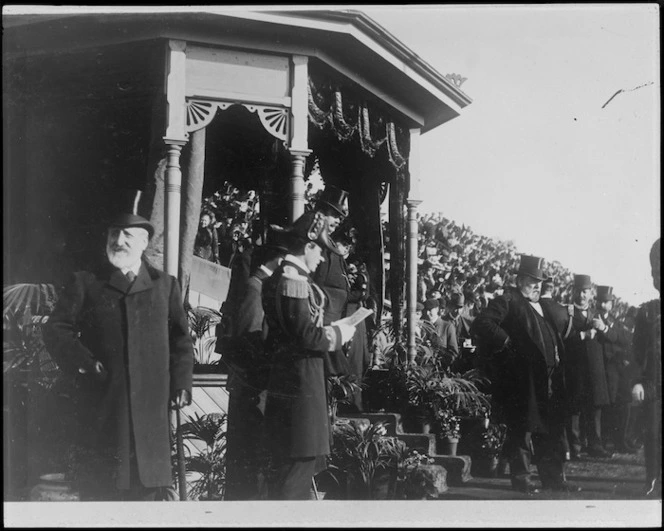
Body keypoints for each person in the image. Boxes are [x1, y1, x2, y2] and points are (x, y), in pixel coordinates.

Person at [43, 208, 194, 501]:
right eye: (114, 234)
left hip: (151, 410)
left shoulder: (165, 285)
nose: (119, 241)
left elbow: (181, 341)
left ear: (143, 243)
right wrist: (84, 364)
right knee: (102, 491)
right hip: (103, 405)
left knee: (147, 492)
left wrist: (181, 384)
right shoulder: (87, 281)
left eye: (127, 235)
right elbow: (55, 329)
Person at [262, 210, 356, 500]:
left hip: (292, 384)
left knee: (296, 471)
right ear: (308, 246)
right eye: (321, 251)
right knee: (297, 472)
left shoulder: (285, 276)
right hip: (300, 386)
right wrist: (339, 334)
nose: (323, 259)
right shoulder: (293, 279)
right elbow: (304, 335)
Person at [472, 255, 579, 495]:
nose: (536, 286)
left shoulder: (543, 305)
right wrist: (508, 342)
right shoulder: (508, 301)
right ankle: (522, 480)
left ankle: (552, 479)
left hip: (548, 379)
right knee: (521, 430)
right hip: (523, 381)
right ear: (519, 280)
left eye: (539, 282)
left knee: (548, 429)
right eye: (532, 281)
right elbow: (482, 323)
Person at [223, 225, 289, 501]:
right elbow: (249, 345)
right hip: (251, 394)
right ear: (277, 261)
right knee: (249, 469)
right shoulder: (255, 289)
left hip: (257, 392)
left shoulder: (263, 289)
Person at [564, 274, 613, 459]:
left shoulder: (597, 314)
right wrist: (582, 335)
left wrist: (603, 328)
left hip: (594, 370)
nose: (583, 295)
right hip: (576, 368)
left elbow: (613, 338)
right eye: (580, 291)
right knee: (575, 409)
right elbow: (563, 338)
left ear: (591, 293)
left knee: (595, 409)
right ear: (574, 292)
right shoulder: (567, 313)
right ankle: (575, 448)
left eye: (586, 291)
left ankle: (595, 445)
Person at [311, 185, 353, 377]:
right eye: (334, 215)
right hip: (322, 327)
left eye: (339, 217)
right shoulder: (313, 247)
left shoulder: (331, 246)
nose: (337, 221)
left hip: (335, 325)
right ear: (321, 214)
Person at [631, 238, 661, 498]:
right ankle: (652, 477)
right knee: (652, 433)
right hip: (654, 385)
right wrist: (638, 382)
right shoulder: (648, 313)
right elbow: (637, 353)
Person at [593, 285, 634, 454]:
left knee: (623, 403)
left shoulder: (612, 320)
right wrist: (607, 331)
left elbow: (625, 338)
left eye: (607, 302)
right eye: (601, 302)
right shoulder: (594, 318)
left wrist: (608, 330)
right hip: (602, 369)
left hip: (615, 369)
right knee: (607, 407)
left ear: (611, 304)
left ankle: (620, 441)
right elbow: (611, 337)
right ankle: (605, 441)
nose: (604, 305)